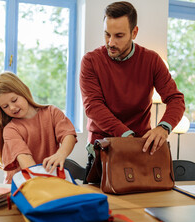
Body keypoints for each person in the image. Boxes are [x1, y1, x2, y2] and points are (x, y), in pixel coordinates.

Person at [79, 1, 185, 176]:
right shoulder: (91, 61)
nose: (111, 42)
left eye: (119, 36)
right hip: (103, 147)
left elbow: (176, 99)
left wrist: (163, 128)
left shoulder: (152, 60)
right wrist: (126, 135)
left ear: (134, 33)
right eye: (107, 34)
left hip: (140, 147)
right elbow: (93, 107)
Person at [0, 71, 77, 184]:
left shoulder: (52, 112)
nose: (12, 107)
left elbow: (69, 135)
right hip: (21, 186)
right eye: (5, 106)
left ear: (23, 91)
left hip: (47, 183)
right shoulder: (11, 130)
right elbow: (28, 164)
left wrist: (61, 154)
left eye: (14, 100)